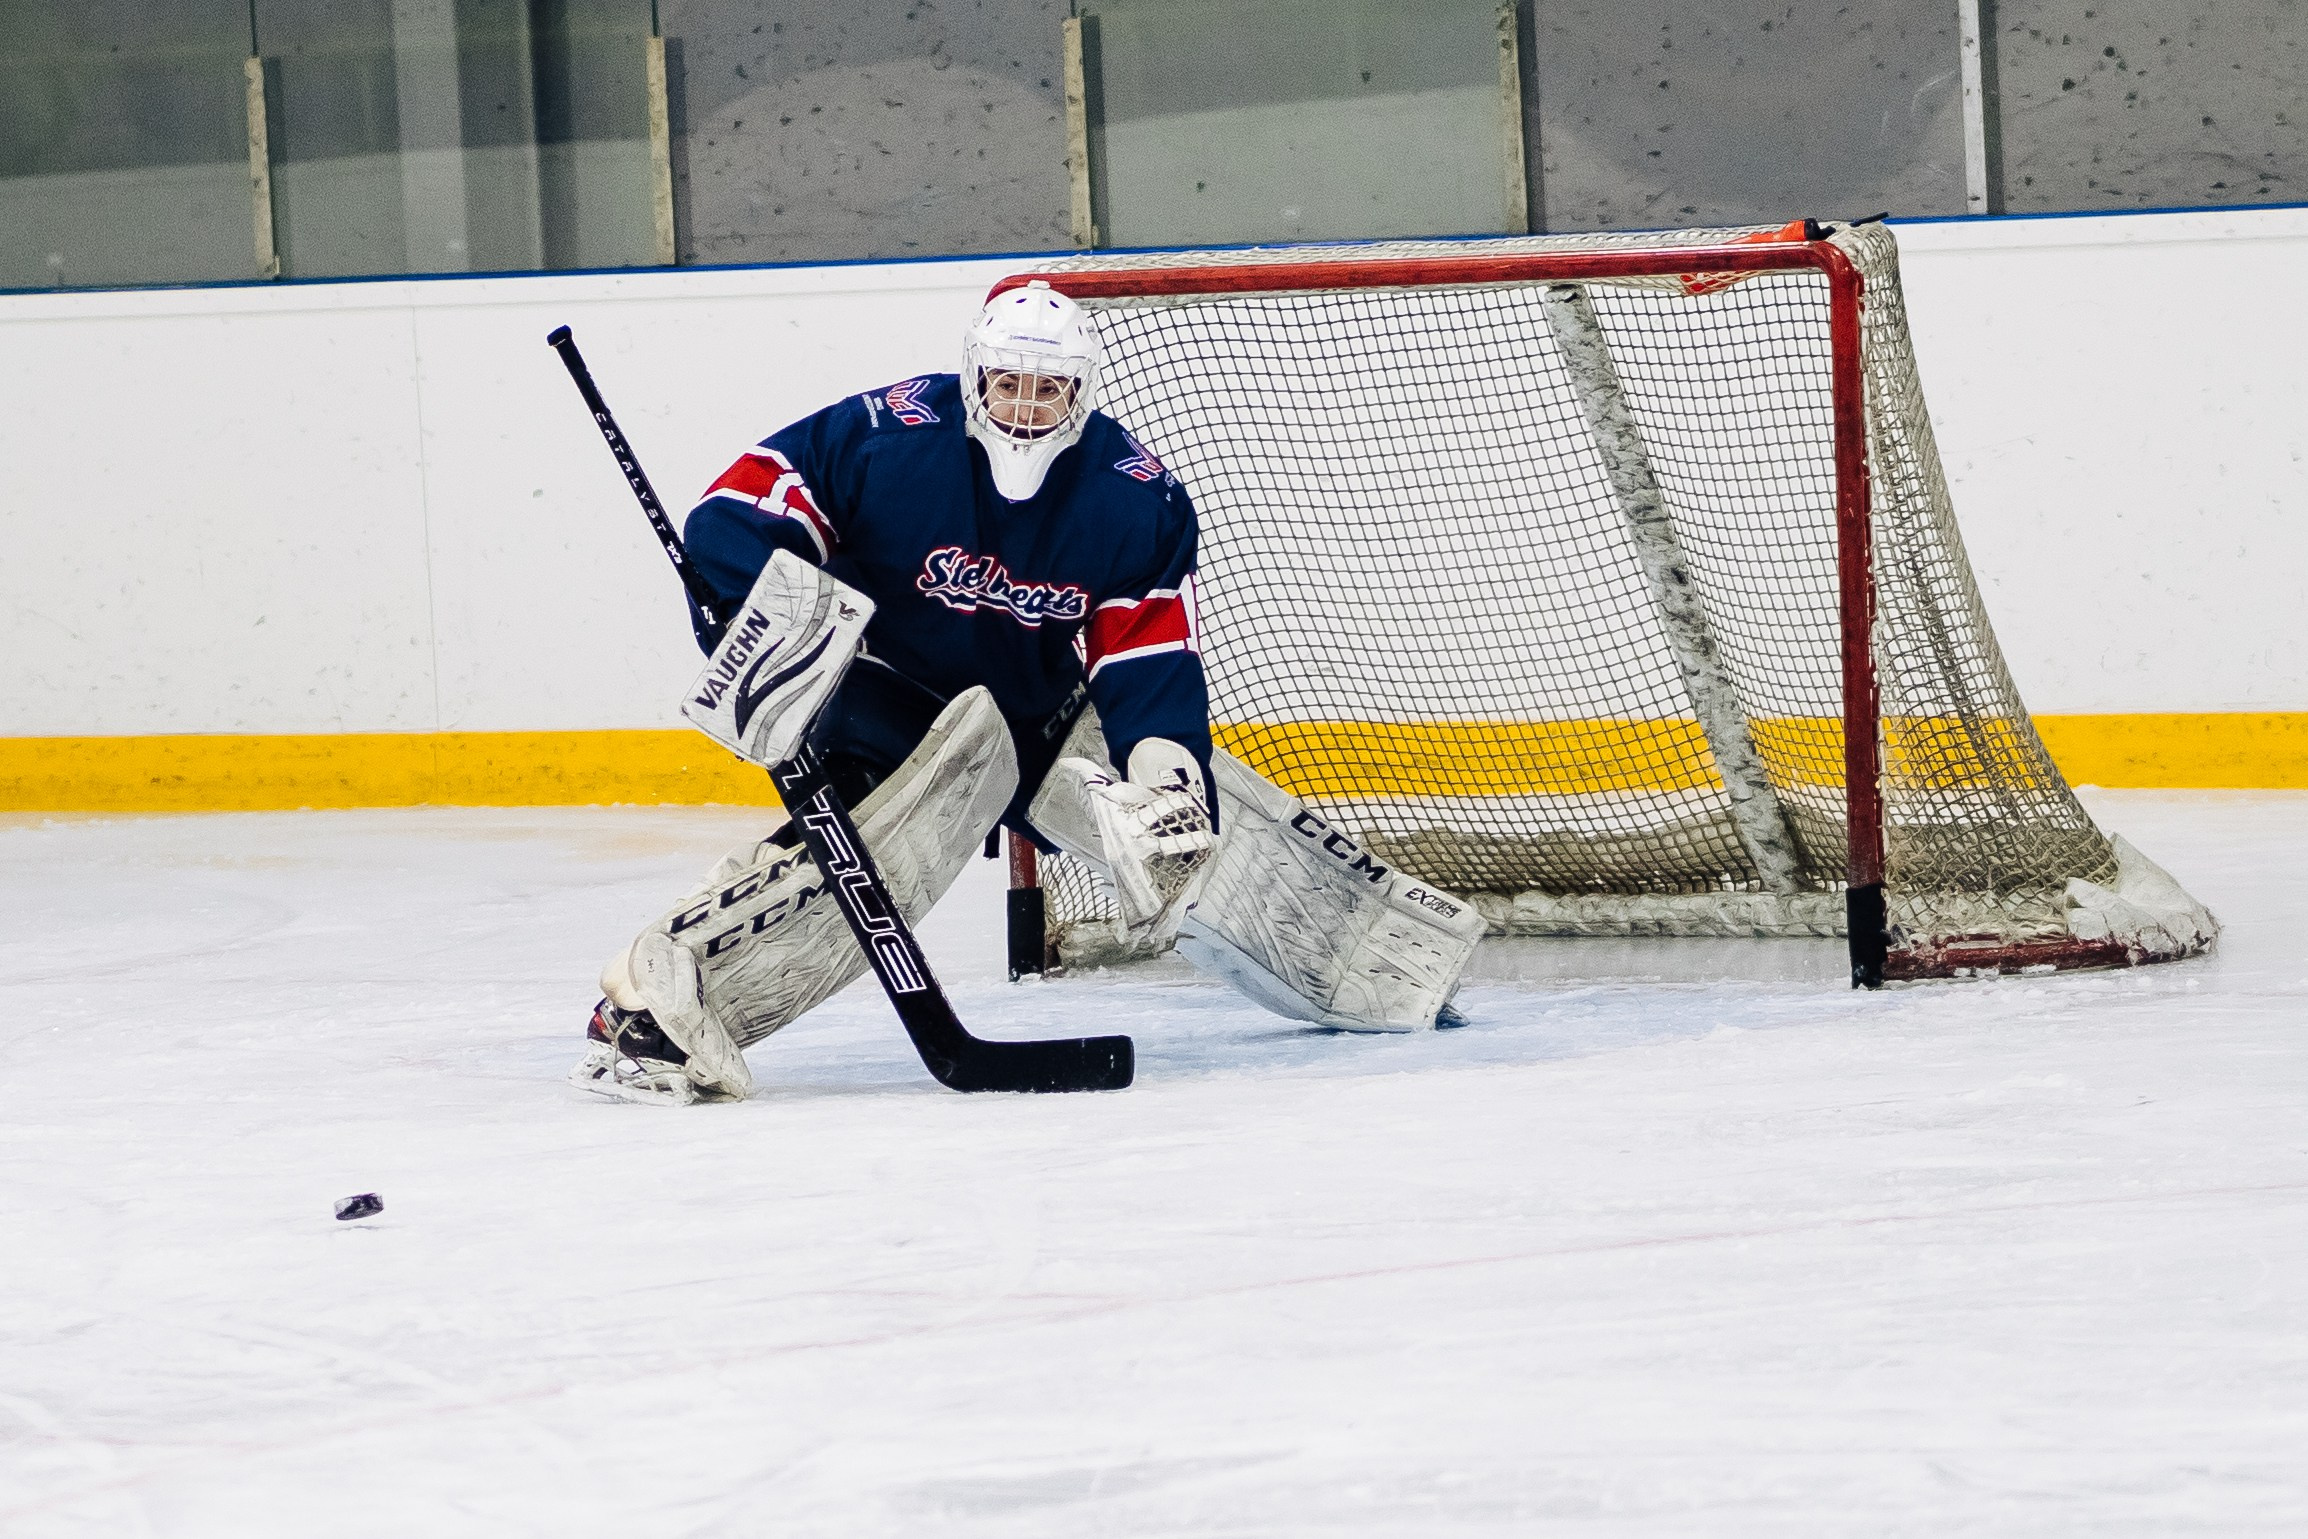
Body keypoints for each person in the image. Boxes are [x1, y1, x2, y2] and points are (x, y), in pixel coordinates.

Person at [573, 282, 1222, 1103]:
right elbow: (746, 500)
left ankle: (646, 993)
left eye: (1049, 386)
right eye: (1007, 382)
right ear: (975, 376)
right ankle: (661, 988)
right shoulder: (893, 432)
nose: (1025, 404)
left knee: (873, 832)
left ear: (1081, 392)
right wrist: (760, 621)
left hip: (1029, 721)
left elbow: (1148, 656)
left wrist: (1166, 778)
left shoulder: (1133, 497)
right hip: (877, 685)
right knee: (886, 851)